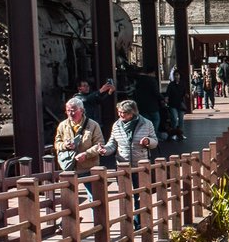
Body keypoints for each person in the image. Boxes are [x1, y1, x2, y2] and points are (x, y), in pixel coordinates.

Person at [78, 99, 156, 230]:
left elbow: (155, 141)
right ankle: (127, 222)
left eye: (124, 113)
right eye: (119, 112)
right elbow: (112, 144)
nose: (121, 115)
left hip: (140, 165)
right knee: (125, 195)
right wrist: (104, 150)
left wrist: (148, 141)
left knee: (140, 195)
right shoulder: (117, 125)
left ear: (132, 113)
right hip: (122, 165)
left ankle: (139, 222)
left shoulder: (146, 124)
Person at [54, 96, 103, 202]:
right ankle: (73, 218)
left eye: (73, 111)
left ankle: (97, 218)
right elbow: (57, 143)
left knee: (94, 198)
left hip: (88, 167)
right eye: (68, 111)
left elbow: (99, 145)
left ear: (81, 110)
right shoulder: (63, 125)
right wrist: (65, 145)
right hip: (69, 167)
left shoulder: (93, 125)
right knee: (69, 199)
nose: (70, 114)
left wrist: (86, 154)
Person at [133, 68, 164, 141]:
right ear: (152, 73)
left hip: (142, 106)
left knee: (145, 122)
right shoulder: (152, 81)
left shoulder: (138, 81)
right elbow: (156, 93)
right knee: (156, 119)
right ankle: (153, 136)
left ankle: (145, 137)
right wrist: (162, 98)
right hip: (152, 106)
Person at [165, 70, 187, 140]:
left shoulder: (183, 84)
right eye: (175, 75)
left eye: (177, 75)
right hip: (172, 104)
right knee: (174, 119)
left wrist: (186, 95)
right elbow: (167, 93)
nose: (176, 76)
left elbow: (184, 93)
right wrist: (166, 98)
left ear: (180, 76)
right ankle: (174, 134)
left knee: (181, 120)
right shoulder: (171, 84)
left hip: (180, 104)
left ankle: (180, 134)